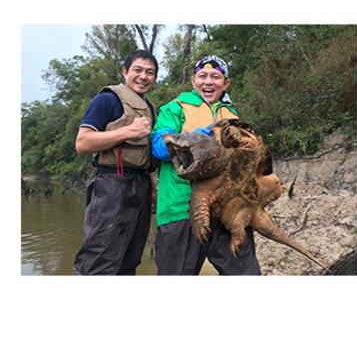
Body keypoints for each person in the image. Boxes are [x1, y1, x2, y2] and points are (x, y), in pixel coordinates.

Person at [151, 55, 261, 275]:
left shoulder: (231, 115)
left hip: (226, 211)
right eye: (202, 76)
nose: (208, 82)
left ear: (225, 83)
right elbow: (160, 148)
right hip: (181, 210)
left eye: (215, 77)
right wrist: (200, 138)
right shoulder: (175, 109)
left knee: (246, 274)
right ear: (193, 81)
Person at [73, 50, 158, 275]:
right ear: (125, 72)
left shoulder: (149, 108)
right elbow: (82, 143)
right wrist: (128, 130)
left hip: (140, 187)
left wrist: (152, 189)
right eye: (137, 70)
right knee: (99, 260)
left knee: (130, 260)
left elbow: (142, 156)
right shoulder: (107, 100)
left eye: (150, 73)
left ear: (155, 78)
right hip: (111, 185)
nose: (143, 76)